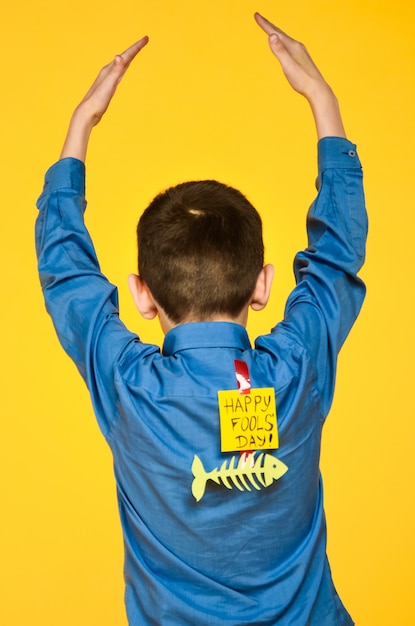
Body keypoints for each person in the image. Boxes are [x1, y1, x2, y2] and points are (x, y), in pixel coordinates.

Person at [35, 12, 367, 626]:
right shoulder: (297, 371)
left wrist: (82, 123)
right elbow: (336, 256)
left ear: (141, 294)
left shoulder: (128, 387)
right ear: (263, 284)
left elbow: (68, 277)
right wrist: (323, 99)